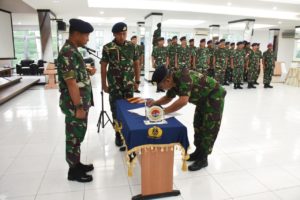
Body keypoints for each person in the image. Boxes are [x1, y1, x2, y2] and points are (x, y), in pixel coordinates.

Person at [149, 66, 226, 171]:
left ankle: (203, 159)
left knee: (209, 128)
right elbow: (168, 97)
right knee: (198, 124)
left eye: (160, 86)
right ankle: (198, 152)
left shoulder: (183, 77)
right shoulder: (173, 81)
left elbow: (183, 101)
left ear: (167, 80)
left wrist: (163, 112)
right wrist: (155, 103)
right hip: (202, 100)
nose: (160, 88)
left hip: (214, 97)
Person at [57, 18, 96, 183]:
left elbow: (75, 75)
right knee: (73, 137)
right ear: (77, 34)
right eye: (86, 35)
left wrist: (87, 72)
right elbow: (71, 83)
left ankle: (77, 163)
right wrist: (79, 106)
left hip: (80, 102)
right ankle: (73, 172)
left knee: (78, 135)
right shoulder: (68, 52)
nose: (88, 39)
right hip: (75, 104)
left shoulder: (73, 50)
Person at [101, 22, 140, 150]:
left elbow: (136, 64)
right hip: (114, 85)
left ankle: (128, 133)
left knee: (129, 110)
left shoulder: (132, 46)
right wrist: (103, 84)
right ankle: (118, 134)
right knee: (116, 110)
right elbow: (103, 66)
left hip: (128, 85)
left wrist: (137, 81)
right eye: (119, 34)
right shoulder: (108, 47)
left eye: (124, 33)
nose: (122, 36)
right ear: (114, 34)